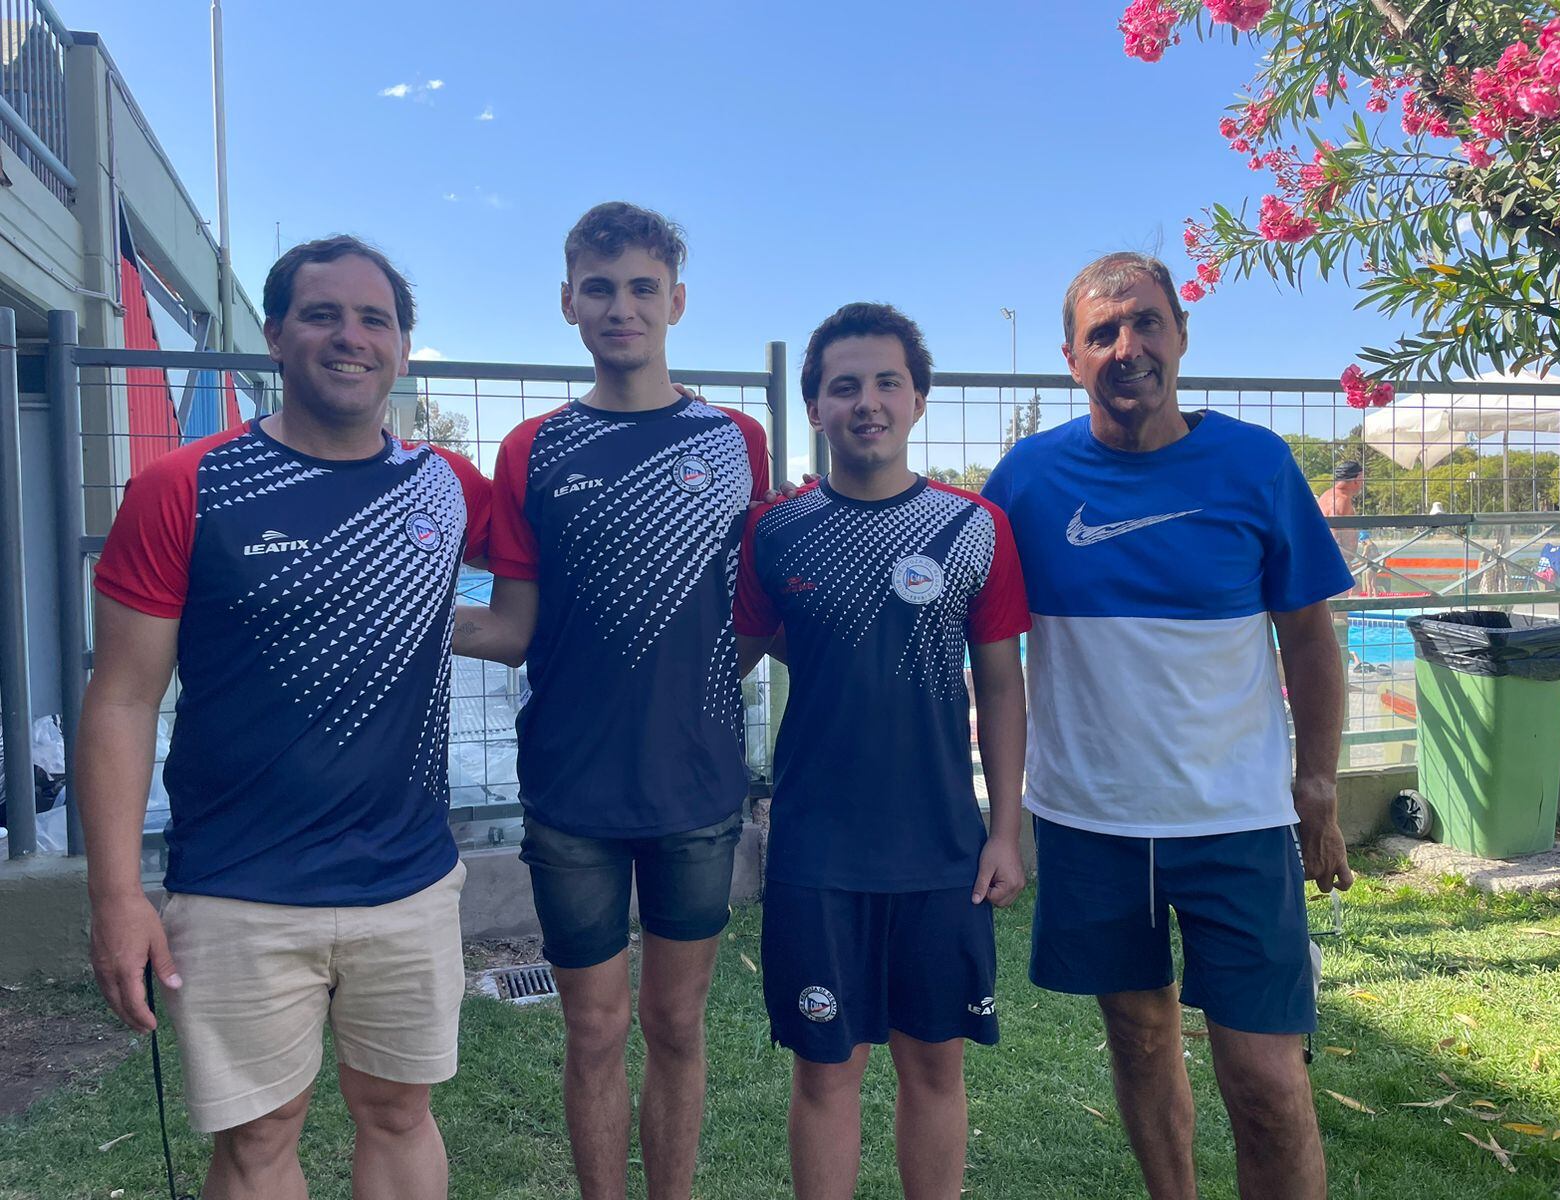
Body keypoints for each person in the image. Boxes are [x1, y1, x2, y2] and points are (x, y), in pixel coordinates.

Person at [80, 235, 490, 1199]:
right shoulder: (182, 488)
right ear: (273, 334)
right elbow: (122, 699)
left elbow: (524, 610)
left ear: (400, 345)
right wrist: (115, 895)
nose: (350, 338)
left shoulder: (447, 488)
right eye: (322, 314)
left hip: (409, 878)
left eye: (374, 319)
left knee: (399, 1114)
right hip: (238, 889)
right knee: (260, 1141)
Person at [982, 252, 1355, 1200]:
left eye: (1146, 323)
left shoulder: (1256, 465)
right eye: (1102, 333)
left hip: (1235, 820)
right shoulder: (1026, 480)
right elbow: (963, 614)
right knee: (1140, 1040)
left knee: (1267, 1082)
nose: (1128, 347)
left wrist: (1316, 786)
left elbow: (1311, 638)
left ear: (1181, 336)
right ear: (1071, 357)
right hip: (1090, 820)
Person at [452, 201, 768, 1200]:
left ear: (676, 300)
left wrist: (707, 691)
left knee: (676, 1025)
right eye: (600, 287)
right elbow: (509, 626)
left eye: (641, 287)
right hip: (572, 788)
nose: (620, 306)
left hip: (697, 784)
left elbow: (754, 617)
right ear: (566, 303)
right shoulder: (530, 450)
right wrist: (392, 614)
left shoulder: (736, 441)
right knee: (593, 1029)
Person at [734, 303, 1029, 1200]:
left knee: (935, 1069)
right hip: (818, 853)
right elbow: (736, 656)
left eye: (886, 382)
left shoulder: (975, 527)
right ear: (816, 407)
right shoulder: (774, 530)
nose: (867, 402)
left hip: (942, 849)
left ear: (920, 399)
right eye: (844, 386)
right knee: (826, 1072)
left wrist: (1004, 831)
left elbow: (1003, 685)